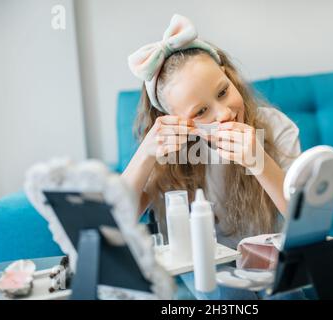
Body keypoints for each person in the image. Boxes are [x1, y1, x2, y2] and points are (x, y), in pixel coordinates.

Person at [122, 14, 301, 249]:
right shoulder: (170, 152)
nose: (224, 113)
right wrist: (145, 154)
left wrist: (259, 161)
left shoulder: (276, 127)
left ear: (229, 76)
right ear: (174, 122)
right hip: (192, 275)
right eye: (201, 111)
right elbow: (115, 221)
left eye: (223, 92)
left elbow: (303, 219)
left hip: (262, 271)